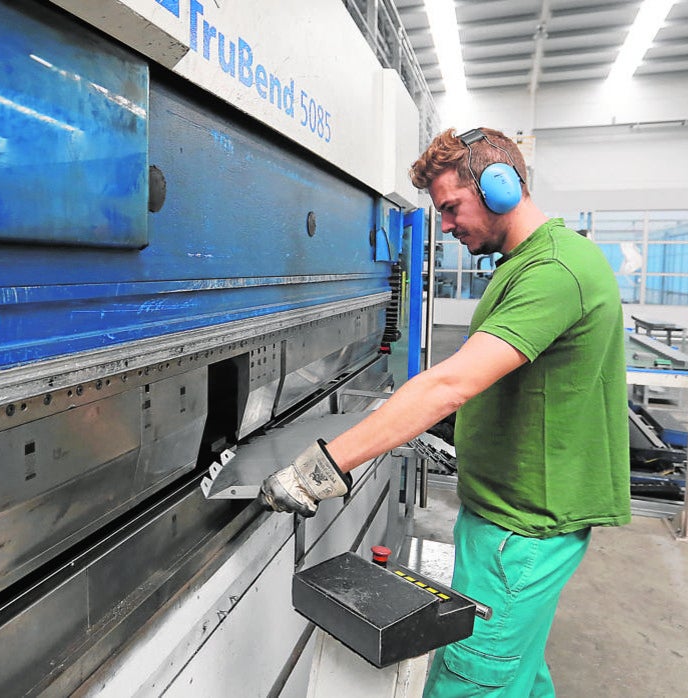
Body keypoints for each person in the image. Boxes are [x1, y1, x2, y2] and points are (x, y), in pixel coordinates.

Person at [259, 127, 630, 697]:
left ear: (501, 187)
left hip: (520, 531)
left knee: (473, 680)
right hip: (506, 517)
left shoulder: (555, 269)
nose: (448, 227)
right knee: (519, 676)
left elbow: (452, 382)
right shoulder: (525, 262)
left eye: (453, 208)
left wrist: (323, 467)